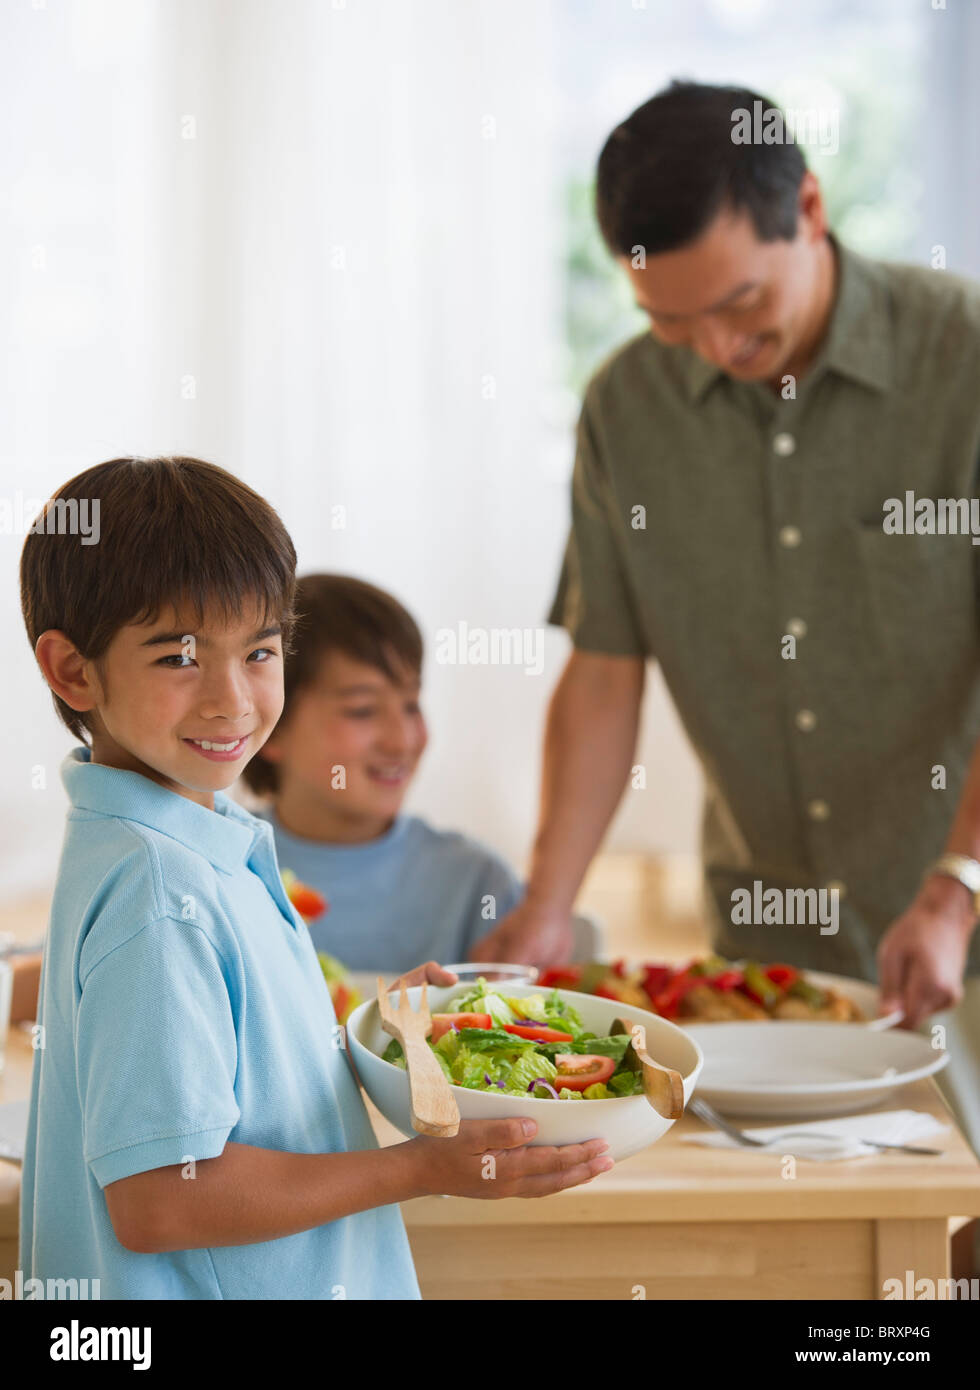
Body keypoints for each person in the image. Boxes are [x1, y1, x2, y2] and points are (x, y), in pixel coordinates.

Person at [469, 81, 980, 1154]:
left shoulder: (962, 361)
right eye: (666, 318)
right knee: (786, 1249)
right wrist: (549, 900)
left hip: (956, 910)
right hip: (770, 952)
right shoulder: (621, 409)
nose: (711, 345)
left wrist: (954, 885)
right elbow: (604, 667)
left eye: (740, 302)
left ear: (805, 205)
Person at [18, 455, 612, 1300]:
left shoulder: (190, 837)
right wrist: (421, 1168)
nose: (233, 700)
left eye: (259, 652)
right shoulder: (159, 891)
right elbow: (159, 1200)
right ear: (74, 670)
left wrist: (382, 1029)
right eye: (178, 658)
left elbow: (235, 1079)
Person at [241, 573, 523, 972]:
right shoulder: (220, 866)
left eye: (411, 705)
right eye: (362, 710)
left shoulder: (478, 884)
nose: (401, 740)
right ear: (267, 723)